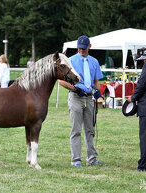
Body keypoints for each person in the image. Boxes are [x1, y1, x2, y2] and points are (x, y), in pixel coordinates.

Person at [59, 35, 103, 167]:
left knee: (90, 130)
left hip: (89, 98)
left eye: (84, 48)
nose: (81, 51)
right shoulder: (70, 61)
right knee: (76, 129)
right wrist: (74, 88)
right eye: (79, 48)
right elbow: (61, 81)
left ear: (89, 47)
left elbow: (96, 81)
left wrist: (98, 90)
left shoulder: (94, 62)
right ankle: (76, 160)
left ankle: (92, 159)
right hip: (76, 97)